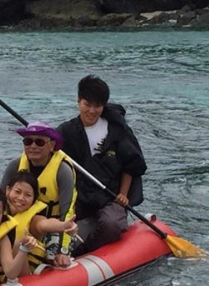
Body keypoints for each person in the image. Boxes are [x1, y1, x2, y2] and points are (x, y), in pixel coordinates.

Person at [57, 75, 147, 255]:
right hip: (80, 196)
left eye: (97, 106)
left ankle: (82, 251)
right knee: (55, 225)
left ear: (103, 105)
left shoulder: (116, 129)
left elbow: (131, 162)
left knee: (112, 224)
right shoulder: (66, 131)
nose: (91, 110)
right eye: (87, 104)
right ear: (78, 101)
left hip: (110, 196)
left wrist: (123, 194)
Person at [0, 121, 77, 268]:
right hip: (20, 223)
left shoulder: (63, 171)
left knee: (53, 256)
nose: (33, 146)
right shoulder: (15, 166)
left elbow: (67, 212)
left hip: (53, 227)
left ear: (52, 145)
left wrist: (64, 250)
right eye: (28, 141)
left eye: (40, 142)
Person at [5, 171, 78, 272]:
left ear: (34, 200)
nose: (21, 198)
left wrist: (63, 226)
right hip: (0, 269)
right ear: (7, 190)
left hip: (26, 274)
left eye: (28, 195)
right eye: (17, 192)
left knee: (17, 244)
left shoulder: (34, 219)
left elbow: (44, 224)